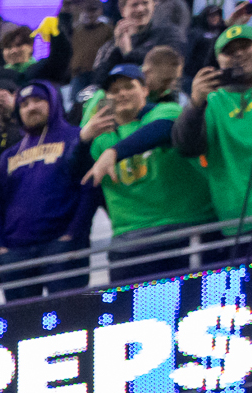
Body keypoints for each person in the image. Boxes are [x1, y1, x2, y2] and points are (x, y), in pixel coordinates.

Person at [80, 55, 217, 283]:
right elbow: (74, 170)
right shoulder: (101, 137)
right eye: (113, 91)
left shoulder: (167, 112)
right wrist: (83, 137)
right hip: (129, 241)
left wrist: (113, 153)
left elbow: (163, 130)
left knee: (192, 308)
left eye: (128, 86)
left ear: (144, 89)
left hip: (184, 228)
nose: (121, 94)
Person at [171, 23, 252, 244]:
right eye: (229, 52)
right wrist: (194, 104)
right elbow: (186, 147)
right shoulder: (211, 101)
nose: (238, 54)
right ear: (218, 61)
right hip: (249, 226)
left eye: (245, 46)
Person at [0, 80, 93, 299]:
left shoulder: (75, 138)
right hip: (16, 253)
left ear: (53, 102)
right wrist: (0, 248)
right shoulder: (8, 156)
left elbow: (89, 191)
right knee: (22, 328)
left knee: (70, 324)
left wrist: (71, 235)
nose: (31, 107)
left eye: (38, 100)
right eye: (24, 104)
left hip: (63, 249)